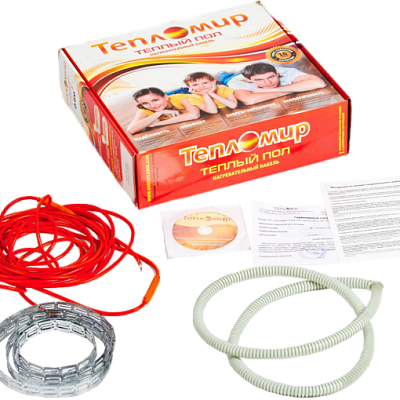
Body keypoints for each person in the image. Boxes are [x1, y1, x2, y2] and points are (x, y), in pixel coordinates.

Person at [223, 63, 326, 105]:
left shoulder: (287, 72)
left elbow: (319, 83)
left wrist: (269, 91)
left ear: (277, 73)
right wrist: (296, 88)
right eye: (259, 80)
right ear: (249, 80)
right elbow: (249, 100)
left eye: (271, 77)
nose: (268, 82)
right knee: (223, 74)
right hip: (229, 77)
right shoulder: (237, 81)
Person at [126, 87, 200, 134]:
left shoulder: (181, 98)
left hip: (183, 91)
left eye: (155, 100)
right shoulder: (146, 108)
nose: (152, 106)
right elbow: (131, 130)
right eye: (145, 103)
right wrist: (160, 113)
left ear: (165, 97)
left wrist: (155, 124)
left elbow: (194, 114)